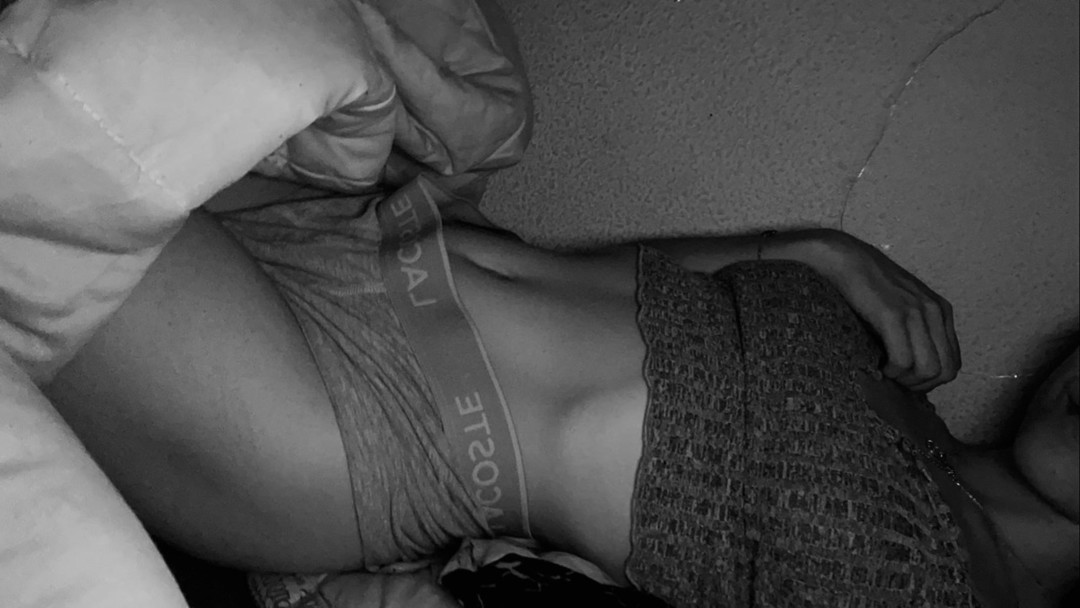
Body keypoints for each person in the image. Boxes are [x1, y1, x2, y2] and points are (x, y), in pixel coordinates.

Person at [42, 173, 1078, 607]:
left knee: (32, 169)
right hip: (371, 223)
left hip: (357, 424)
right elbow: (645, 295)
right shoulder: (908, 382)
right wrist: (807, 249)